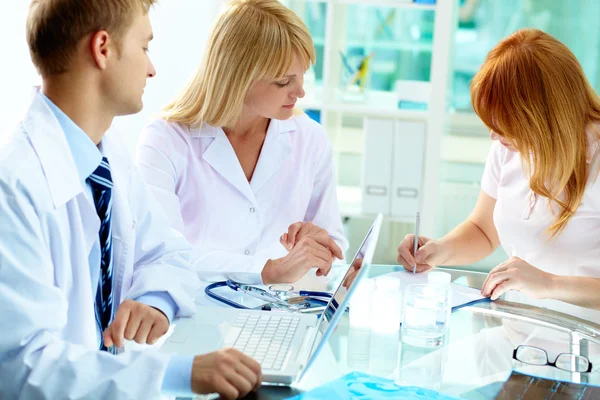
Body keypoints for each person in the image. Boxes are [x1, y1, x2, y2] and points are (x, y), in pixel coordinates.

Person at [0, 1, 261, 398]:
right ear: (102, 48)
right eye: (144, 47)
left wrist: (154, 300)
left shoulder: (106, 156)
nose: (152, 69)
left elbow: (169, 253)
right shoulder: (15, 185)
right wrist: (179, 373)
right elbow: (24, 367)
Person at [136, 0, 348, 286]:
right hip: (193, 315)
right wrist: (269, 270)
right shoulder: (165, 140)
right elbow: (159, 254)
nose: (300, 91)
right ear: (239, 76)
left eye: (302, 76)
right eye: (284, 81)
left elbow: (333, 248)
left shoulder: (310, 139)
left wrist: (318, 248)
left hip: (282, 312)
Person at [397, 28, 600, 322]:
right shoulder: (510, 146)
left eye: (506, 125)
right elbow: (483, 230)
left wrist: (549, 284)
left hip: (585, 344)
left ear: (541, 117)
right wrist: (440, 250)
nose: (494, 136)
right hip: (519, 330)